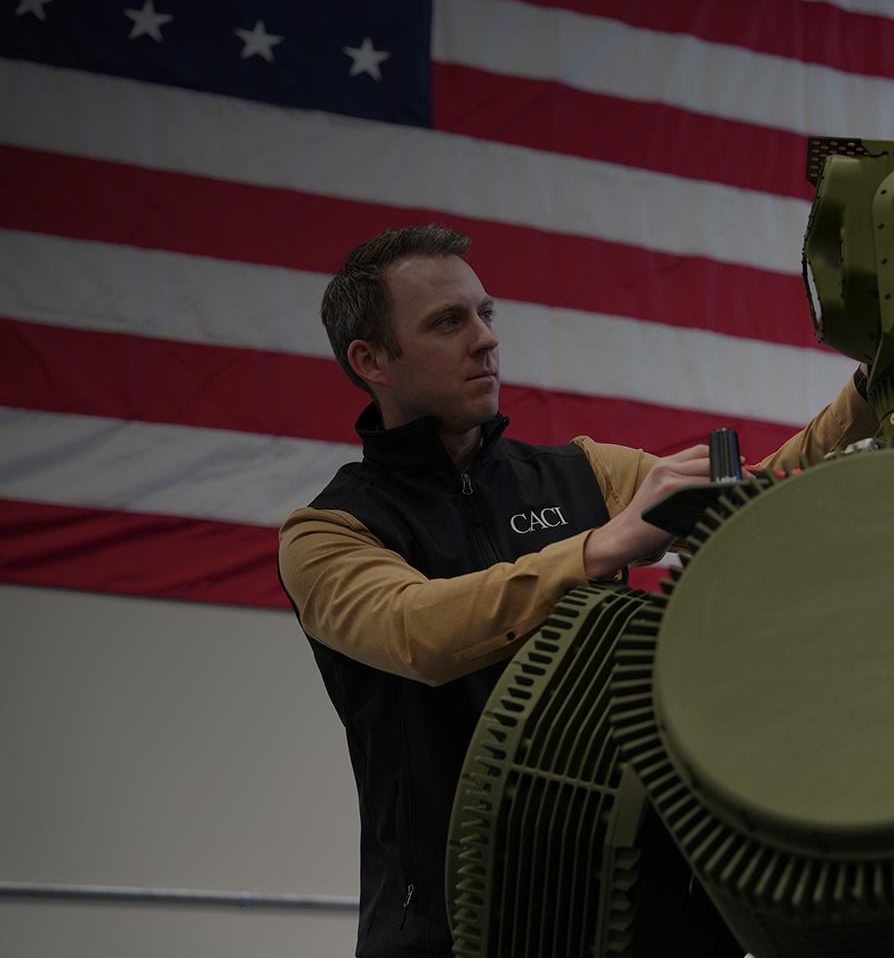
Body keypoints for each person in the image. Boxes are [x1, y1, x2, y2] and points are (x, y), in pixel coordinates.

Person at [278, 224, 876, 958]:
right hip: (449, 925)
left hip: (623, 912)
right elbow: (416, 632)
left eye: (485, 314)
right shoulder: (328, 532)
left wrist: (870, 388)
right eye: (447, 322)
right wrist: (601, 547)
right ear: (372, 361)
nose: (484, 339)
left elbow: (761, 507)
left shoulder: (586, 472)